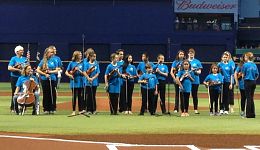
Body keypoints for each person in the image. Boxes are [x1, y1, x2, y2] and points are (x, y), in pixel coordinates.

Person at [36, 47, 60, 114]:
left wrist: (50, 72)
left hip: (52, 79)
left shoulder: (54, 60)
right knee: (46, 94)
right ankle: (46, 109)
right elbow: (37, 70)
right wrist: (44, 74)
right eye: (51, 52)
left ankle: (53, 108)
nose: (52, 53)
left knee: (53, 94)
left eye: (53, 52)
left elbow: (57, 70)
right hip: (44, 79)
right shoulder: (43, 61)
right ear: (47, 53)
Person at [65, 51, 85, 116]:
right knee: (74, 97)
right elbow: (66, 72)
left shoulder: (82, 63)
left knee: (80, 97)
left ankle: (80, 110)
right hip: (74, 82)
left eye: (81, 55)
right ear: (76, 55)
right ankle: (73, 111)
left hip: (81, 82)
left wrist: (78, 70)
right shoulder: (71, 63)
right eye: (79, 55)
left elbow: (84, 73)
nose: (81, 56)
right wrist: (70, 75)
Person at [242, 52, 259, 118]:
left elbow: (243, 75)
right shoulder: (254, 65)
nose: (245, 58)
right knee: (251, 97)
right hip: (253, 82)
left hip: (247, 82)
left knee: (248, 98)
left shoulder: (245, 65)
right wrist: (254, 79)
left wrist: (244, 78)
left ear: (248, 57)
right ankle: (253, 114)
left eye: (246, 57)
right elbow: (257, 74)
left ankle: (248, 114)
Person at [187, 48, 203, 114]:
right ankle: (186, 109)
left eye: (192, 53)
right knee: (186, 94)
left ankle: (195, 109)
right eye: (190, 53)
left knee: (194, 95)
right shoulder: (186, 61)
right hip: (187, 80)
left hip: (195, 80)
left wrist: (195, 71)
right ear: (188, 54)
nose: (191, 54)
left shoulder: (197, 61)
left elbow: (200, 71)